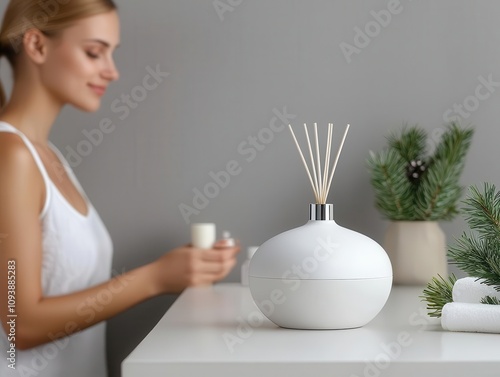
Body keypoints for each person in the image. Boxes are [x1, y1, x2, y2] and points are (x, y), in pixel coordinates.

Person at [0, 1, 240, 376]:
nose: (111, 71)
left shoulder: (49, 158)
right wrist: (157, 277)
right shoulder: (11, 155)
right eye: (94, 52)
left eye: (111, 53)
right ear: (37, 46)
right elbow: (20, 324)